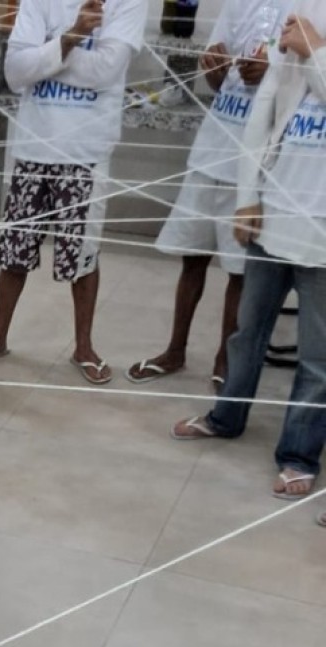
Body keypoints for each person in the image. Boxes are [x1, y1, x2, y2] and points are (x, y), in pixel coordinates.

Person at [172, 5, 326, 504]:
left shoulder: (310, 35)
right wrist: (247, 196)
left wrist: (316, 51)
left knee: (318, 357)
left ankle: (298, 456)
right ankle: (226, 416)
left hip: (320, 230)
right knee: (247, 331)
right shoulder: (307, 13)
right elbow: (264, 109)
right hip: (273, 208)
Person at [0, 0, 146, 384]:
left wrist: (47, 55)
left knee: (83, 255)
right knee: (14, 250)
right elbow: (14, 71)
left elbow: (106, 72)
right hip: (34, 146)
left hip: (86, 152)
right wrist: (72, 38)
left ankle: (84, 347)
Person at [127, 0, 290, 391]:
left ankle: (224, 359)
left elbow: (304, 86)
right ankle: (175, 350)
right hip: (212, 148)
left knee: (238, 270)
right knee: (192, 257)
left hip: (253, 163)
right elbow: (216, 78)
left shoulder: (305, 9)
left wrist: (272, 72)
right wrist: (214, 69)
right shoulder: (238, 4)